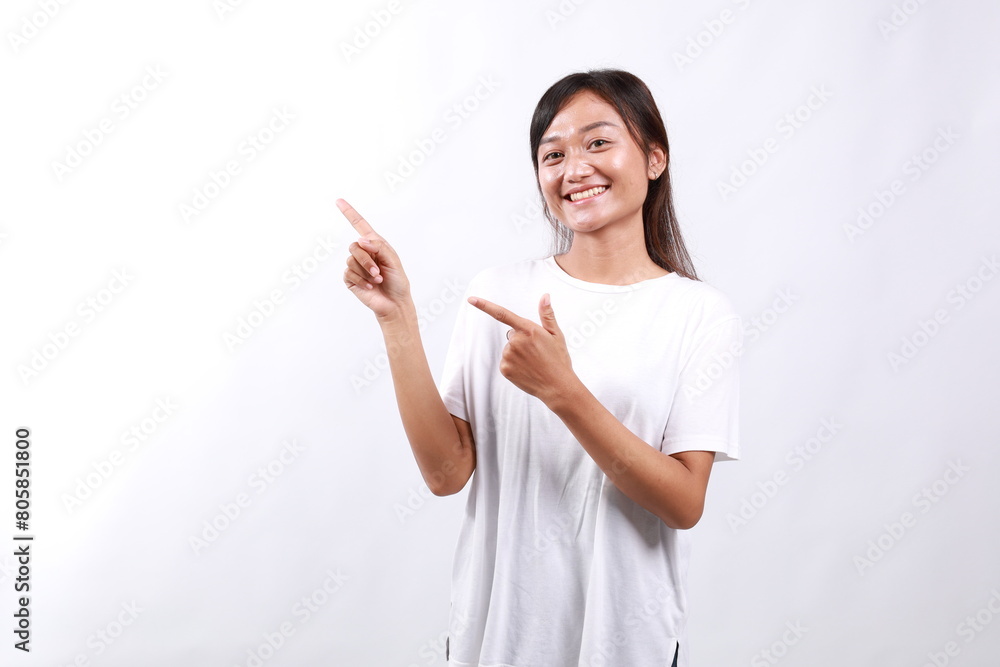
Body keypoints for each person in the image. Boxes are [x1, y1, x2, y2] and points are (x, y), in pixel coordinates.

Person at [340, 68, 742, 667]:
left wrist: (563, 392)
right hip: (494, 638)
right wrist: (396, 319)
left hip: (627, 644)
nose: (574, 169)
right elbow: (447, 473)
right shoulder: (499, 293)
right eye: (552, 154)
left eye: (599, 142)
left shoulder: (698, 314)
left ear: (655, 158)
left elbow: (683, 503)